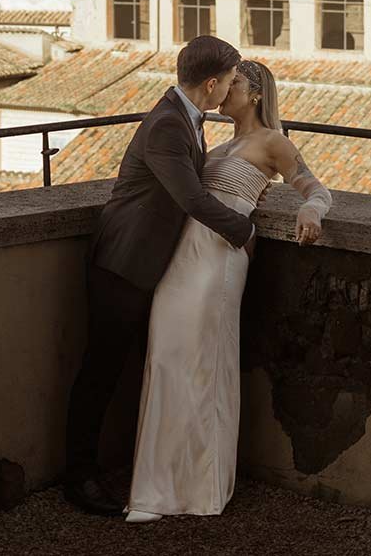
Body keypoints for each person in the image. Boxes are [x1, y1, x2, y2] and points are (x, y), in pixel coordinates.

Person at [124, 58, 332, 522]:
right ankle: (156, 487)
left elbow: (316, 189)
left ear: (254, 93)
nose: (222, 91)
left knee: (203, 366)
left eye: (233, 84)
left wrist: (311, 212)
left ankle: (200, 491)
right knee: (166, 361)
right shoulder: (214, 144)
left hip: (218, 262)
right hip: (181, 259)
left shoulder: (273, 142)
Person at [62, 35, 253, 516]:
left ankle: (136, 468)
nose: (230, 90)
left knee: (130, 367)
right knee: (101, 370)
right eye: (229, 81)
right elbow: (191, 198)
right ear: (211, 83)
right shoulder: (169, 124)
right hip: (123, 261)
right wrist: (244, 228)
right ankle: (78, 477)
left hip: (147, 262)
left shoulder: (186, 116)